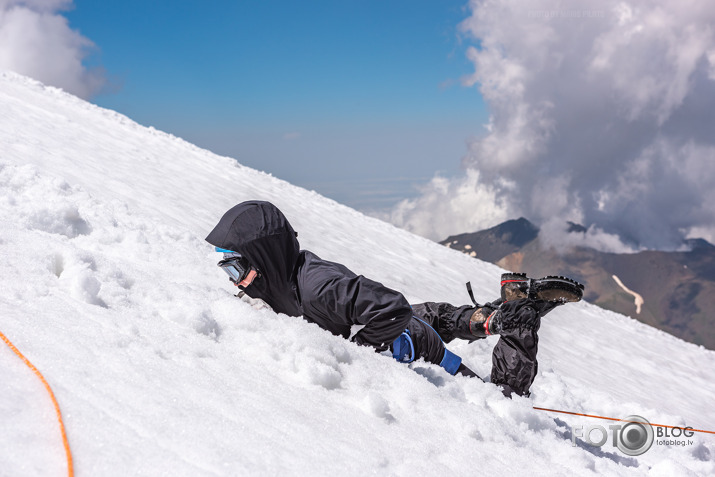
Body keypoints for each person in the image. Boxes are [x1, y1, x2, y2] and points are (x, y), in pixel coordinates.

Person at [206, 201, 584, 397]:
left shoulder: (316, 286)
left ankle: (521, 318)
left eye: (238, 269)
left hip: (412, 344)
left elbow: (392, 308)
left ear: (266, 256)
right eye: (228, 270)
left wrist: (359, 351)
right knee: (434, 316)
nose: (236, 282)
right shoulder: (279, 278)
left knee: (501, 401)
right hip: (404, 324)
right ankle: (504, 309)